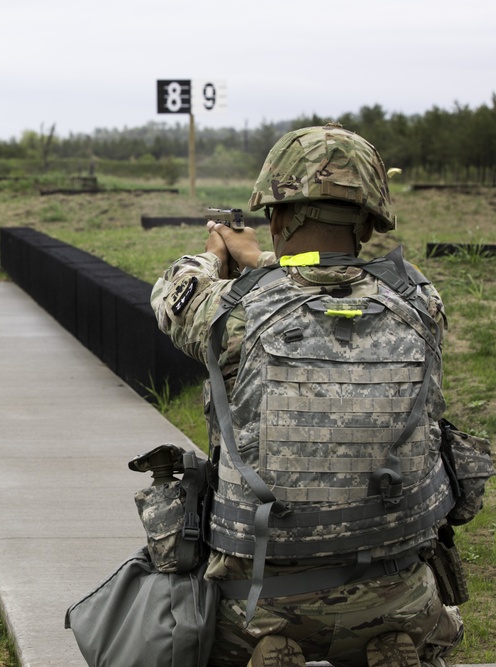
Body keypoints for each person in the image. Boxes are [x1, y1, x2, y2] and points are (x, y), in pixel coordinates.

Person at [150, 123, 464, 667]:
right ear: (369, 221)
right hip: (399, 593)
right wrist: (269, 266)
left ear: (276, 216)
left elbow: (172, 294)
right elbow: (336, 280)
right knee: (407, 609)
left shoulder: (233, 312)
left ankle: (277, 643)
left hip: (260, 603)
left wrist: (219, 255)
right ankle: (385, 636)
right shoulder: (420, 303)